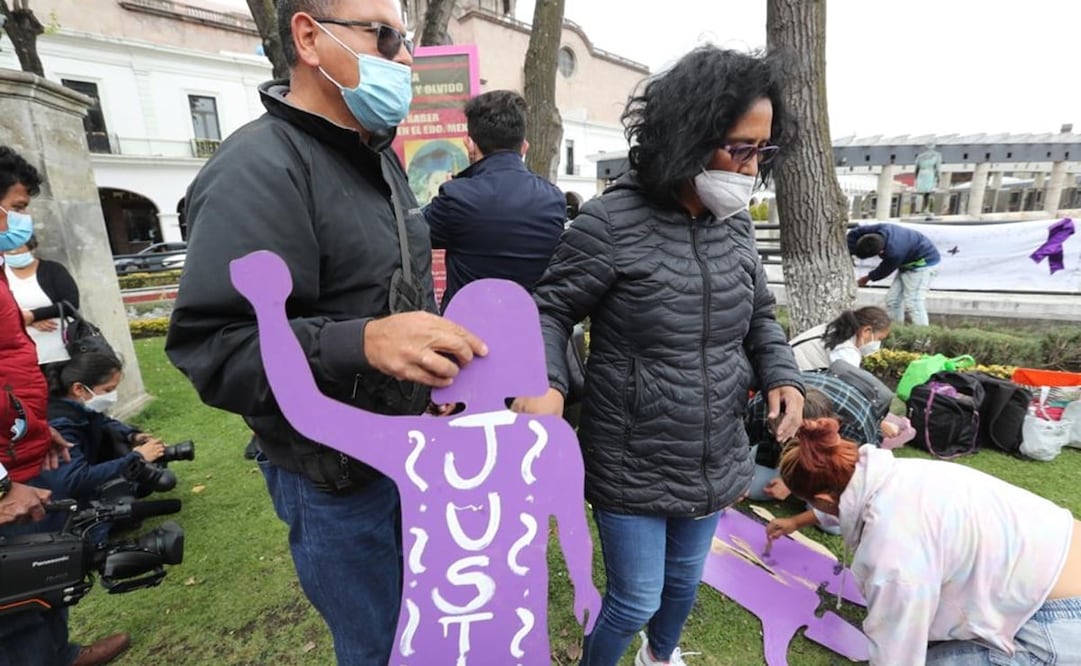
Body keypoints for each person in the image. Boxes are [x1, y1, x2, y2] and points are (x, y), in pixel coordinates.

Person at [164, 2, 486, 664]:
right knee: (375, 646)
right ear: (309, 37)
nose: (404, 59)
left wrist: (429, 370)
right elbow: (215, 349)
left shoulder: (380, 161)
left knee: (421, 631)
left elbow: (391, 297)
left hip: (408, 452)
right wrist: (362, 342)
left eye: (405, 40)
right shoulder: (255, 169)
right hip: (332, 479)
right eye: (384, 36)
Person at [515, 46, 804, 666]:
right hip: (631, 460)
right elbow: (549, 309)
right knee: (636, 598)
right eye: (740, 148)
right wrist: (545, 378)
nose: (752, 168)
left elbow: (759, 314)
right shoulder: (608, 223)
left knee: (683, 583)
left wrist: (783, 373)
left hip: (715, 452)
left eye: (764, 151)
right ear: (689, 137)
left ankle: (659, 658)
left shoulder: (736, 226)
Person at [772, 418, 1081, 665]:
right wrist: (797, 521)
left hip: (1061, 622)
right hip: (1059, 563)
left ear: (824, 500)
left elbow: (898, 651)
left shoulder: (892, 551)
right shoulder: (893, 474)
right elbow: (849, 501)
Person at [0, 146, 130, 666]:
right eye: (15, 204)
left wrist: (34, 428)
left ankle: (62, 652)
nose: (19, 220)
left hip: (22, 448)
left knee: (43, 564)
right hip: (6, 478)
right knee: (14, 591)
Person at [424, 89, 566, 310]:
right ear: (524, 147)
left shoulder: (456, 197)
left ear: (470, 145)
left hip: (466, 335)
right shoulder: (554, 199)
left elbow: (412, 233)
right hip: (533, 333)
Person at [40, 350, 166, 508]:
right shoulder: (60, 426)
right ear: (79, 388)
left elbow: (103, 422)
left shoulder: (77, 407)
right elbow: (74, 480)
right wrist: (137, 458)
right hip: (61, 508)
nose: (113, 396)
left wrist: (132, 436)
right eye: (108, 390)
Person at [4, 234, 80, 365]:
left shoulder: (53, 270)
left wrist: (34, 315)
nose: (12, 251)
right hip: (22, 359)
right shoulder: (2, 276)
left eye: (17, 246)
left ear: (32, 247)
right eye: (6, 247)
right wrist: (24, 320)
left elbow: (71, 303)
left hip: (63, 353)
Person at [848, 223, 940, 326]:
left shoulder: (895, 253)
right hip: (907, 262)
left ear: (881, 252)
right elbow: (855, 232)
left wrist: (867, 278)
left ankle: (923, 339)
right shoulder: (881, 228)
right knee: (893, 301)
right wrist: (850, 251)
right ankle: (897, 332)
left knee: (914, 302)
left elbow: (884, 270)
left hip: (923, 264)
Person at [788, 306, 891, 371]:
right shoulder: (845, 351)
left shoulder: (831, 329)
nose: (878, 344)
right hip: (790, 379)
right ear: (866, 331)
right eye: (879, 338)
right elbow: (850, 384)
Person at [914, 142, 942, 215]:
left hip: (921, 174)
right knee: (929, 193)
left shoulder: (920, 156)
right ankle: (927, 209)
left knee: (924, 193)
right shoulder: (937, 155)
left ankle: (924, 209)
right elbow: (938, 167)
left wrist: (916, 177)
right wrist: (939, 176)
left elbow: (916, 168)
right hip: (930, 173)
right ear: (933, 147)